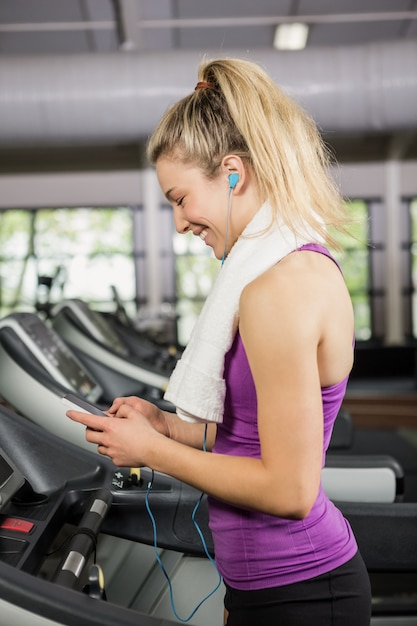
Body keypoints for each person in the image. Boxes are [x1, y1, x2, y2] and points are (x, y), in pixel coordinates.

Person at [67, 57, 372, 625]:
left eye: (180, 199)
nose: (180, 224)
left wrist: (153, 452)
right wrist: (166, 426)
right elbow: (250, 437)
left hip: (302, 588)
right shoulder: (273, 276)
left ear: (232, 172)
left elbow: (289, 489)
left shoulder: (278, 288)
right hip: (265, 583)